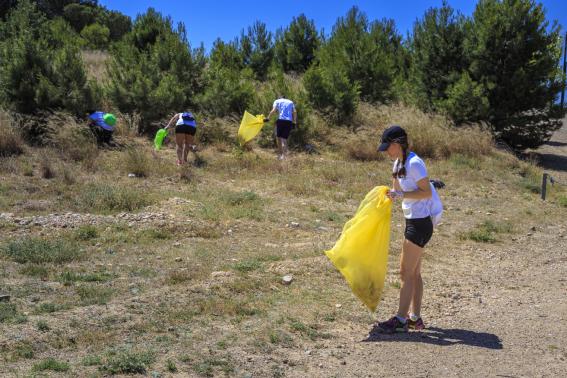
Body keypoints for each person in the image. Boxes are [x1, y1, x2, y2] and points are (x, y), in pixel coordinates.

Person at [376, 125, 434, 333]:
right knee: (414, 273)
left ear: (398, 144)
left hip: (420, 224)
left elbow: (426, 192)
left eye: (388, 147)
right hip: (413, 221)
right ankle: (415, 319)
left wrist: (402, 196)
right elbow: (395, 189)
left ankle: (401, 319)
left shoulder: (415, 163)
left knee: (405, 272)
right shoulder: (398, 163)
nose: (386, 151)